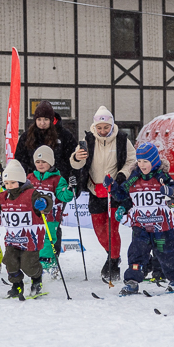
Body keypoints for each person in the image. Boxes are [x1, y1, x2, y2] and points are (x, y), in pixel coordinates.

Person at [70, 106, 136, 282]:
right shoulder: (88, 139)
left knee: (112, 229)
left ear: (111, 124)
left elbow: (131, 160)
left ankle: (113, 261)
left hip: (115, 190)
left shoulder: (122, 139)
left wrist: (122, 175)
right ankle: (111, 253)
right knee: (100, 230)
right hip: (94, 189)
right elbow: (76, 164)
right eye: (99, 127)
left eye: (106, 127)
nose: (102, 130)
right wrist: (77, 158)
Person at [112, 143, 174, 295]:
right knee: (136, 252)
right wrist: (114, 191)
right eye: (139, 161)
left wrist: (169, 191)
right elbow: (123, 196)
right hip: (141, 226)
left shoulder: (161, 176)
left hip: (161, 226)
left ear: (154, 161)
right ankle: (132, 281)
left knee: (164, 252)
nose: (142, 165)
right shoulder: (134, 177)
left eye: (145, 161)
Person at [0, 159, 51, 298]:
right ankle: (17, 286)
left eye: (12, 182)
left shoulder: (31, 194)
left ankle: (36, 279)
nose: (9, 186)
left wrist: (44, 203)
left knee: (28, 265)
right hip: (12, 238)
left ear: (21, 181)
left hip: (30, 238)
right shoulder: (4, 196)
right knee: (10, 262)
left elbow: (46, 200)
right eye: (6, 183)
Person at [28, 145, 74, 276]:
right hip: (33, 218)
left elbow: (63, 196)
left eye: (44, 162)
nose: (40, 165)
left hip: (51, 218)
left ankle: (46, 266)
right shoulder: (30, 178)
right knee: (34, 241)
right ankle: (44, 264)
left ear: (51, 163)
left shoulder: (57, 179)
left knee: (48, 241)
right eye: (38, 162)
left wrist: (70, 189)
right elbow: (20, 193)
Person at [14, 100, 77, 176]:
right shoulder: (27, 136)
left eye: (46, 119)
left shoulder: (64, 135)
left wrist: (65, 174)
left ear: (51, 120)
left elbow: (72, 158)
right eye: (39, 119)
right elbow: (20, 158)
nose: (42, 123)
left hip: (58, 180)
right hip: (32, 180)